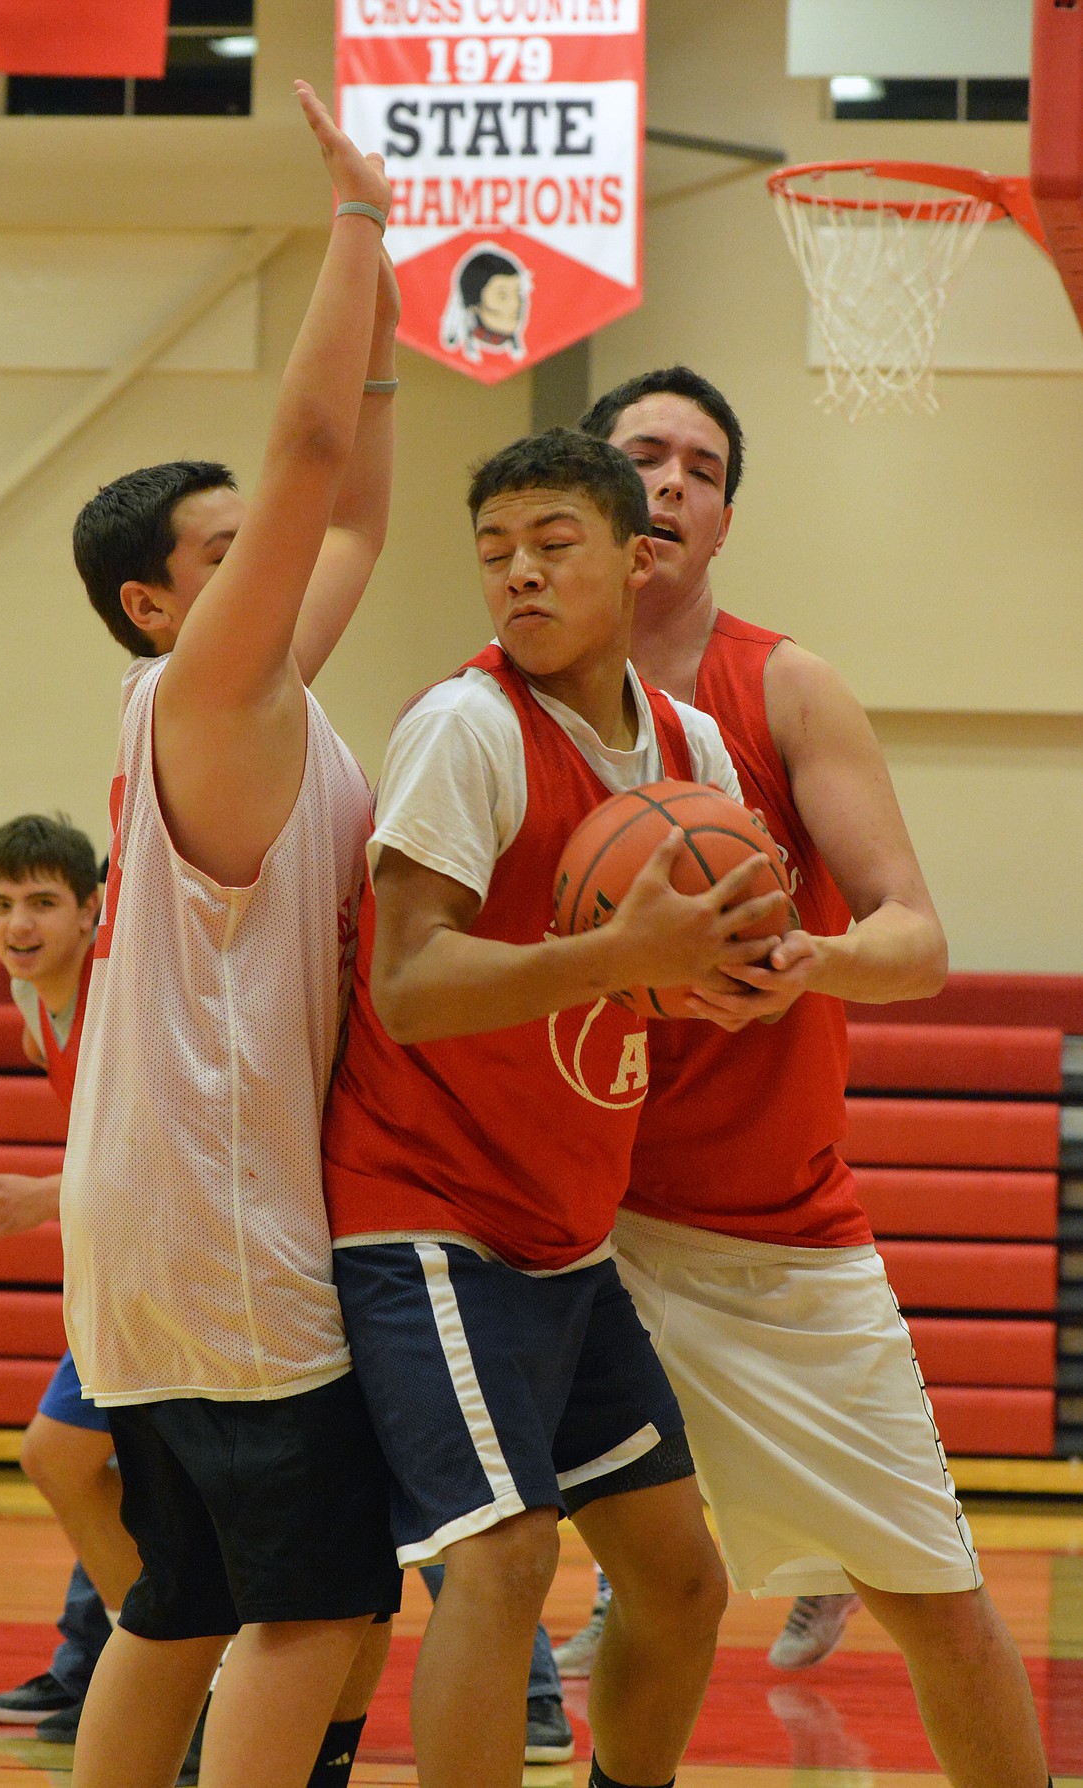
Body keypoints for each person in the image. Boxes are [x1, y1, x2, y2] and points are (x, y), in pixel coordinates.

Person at [570, 366, 1051, 1788]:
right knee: (650, 1591)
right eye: (641, 457)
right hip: (559, 1224)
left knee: (941, 1608)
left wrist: (803, 962)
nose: (667, 484)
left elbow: (913, 940)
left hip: (763, 1230)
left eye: (699, 469)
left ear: (722, 520)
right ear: (584, 492)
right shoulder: (495, 705)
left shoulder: (781, 684)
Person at [321, 426, 792, 1788]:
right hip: (423, 1212)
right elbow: (404, 987)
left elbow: (706, 952)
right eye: (493, 553)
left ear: (640, 561)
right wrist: (618, 959)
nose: (517, 576)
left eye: (551, 545)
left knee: (679, 1579)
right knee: (507, 1554)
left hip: (564, 1227)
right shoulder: (462, 730)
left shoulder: (687, 741)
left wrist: (736, 975)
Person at [59, 86, 403, 1788]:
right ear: (152, 599)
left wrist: (392, 300)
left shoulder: (249, 694)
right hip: (221, 1224)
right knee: (313, 1612)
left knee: (177, 1603)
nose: (255, 552)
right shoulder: (203, 688)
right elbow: (314, 468)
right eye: (218, 549)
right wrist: (354, 218)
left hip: (150, 1230)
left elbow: (352, 522)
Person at [0, 817, 131, 1741]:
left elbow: (157, 1150)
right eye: (2, 904)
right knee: (92, 1469)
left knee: (63, 1458)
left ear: (94, 909)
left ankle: (157, 1668)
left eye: (43, 903)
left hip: (172, 1264)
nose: (20, 924)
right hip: (123, 1265)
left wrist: (47, 1193)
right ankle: (102, 1664)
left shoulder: (119, 994)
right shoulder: (37, 1004)